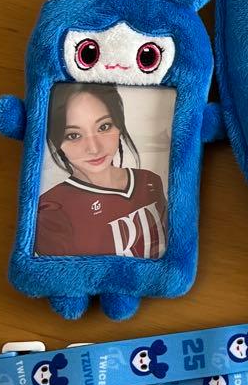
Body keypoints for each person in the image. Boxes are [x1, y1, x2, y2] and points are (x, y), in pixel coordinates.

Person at [34, 84, 168, 259]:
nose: (94, 148)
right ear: (57, 142)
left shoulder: (149, 180)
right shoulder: (51, 211)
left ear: (119, 125)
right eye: (73, 135)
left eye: (104, 127)